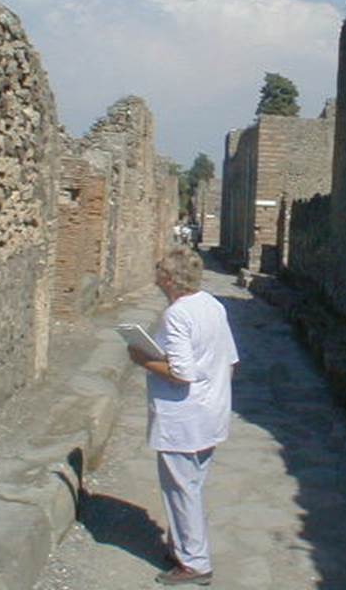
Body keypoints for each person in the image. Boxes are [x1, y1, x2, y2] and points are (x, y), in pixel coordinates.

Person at [128, 246, 239, 586]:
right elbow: (230, 362)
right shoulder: (213, 305)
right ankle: (185, 547)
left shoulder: (177, 314)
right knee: (191, 486)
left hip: (184, 418)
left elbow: (181, 374)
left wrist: (141, 357)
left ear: (170, 279)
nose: (157, 278)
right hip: (211, 412)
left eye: (160, 272)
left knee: (181, 490)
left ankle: (194, 564)